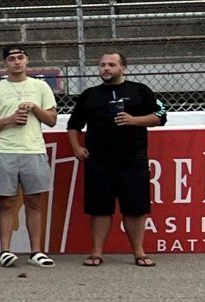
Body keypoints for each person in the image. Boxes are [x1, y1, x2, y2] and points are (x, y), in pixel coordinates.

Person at [68, 49, 167, 268]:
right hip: (99, 160)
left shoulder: (141, 91)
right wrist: (77, 147)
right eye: (103, 65)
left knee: (135, 207)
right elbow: (73, 125)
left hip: (132, 159)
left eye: (111, 65)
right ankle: (96, 252)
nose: (106, 69)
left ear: (123, 68)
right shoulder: (89, 95)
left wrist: (134, 120)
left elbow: (160, 116)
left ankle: (139, 252)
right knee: (99, 207)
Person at [0, 45, 59, 268]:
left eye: (20, 57)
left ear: (27, 61)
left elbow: (52, 119)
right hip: (6, 150)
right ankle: (5, 250)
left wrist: (34, 107)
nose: (16, 62)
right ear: (5, 63)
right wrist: (10, 119)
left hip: (34, 150)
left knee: (34, 201)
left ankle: (36, 252)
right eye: (12, 59)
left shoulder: (40, 86)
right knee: (7, 202)